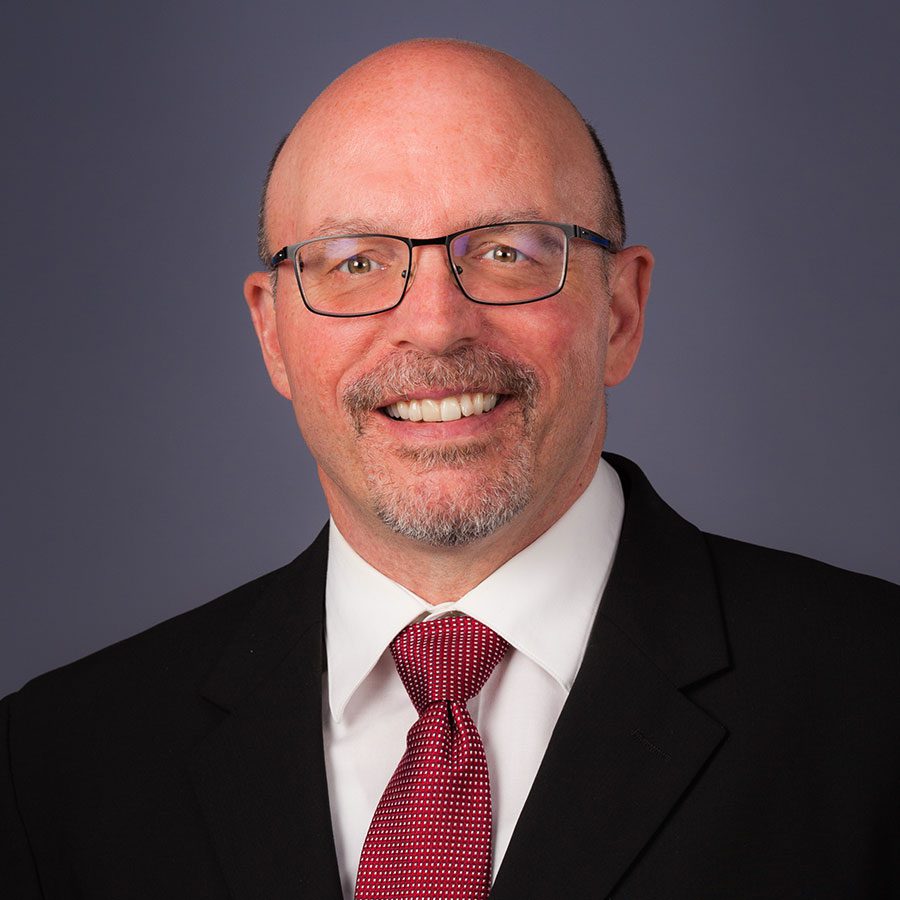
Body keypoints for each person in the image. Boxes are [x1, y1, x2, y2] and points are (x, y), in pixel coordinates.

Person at [2, 38, 898, 900]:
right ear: (272, 333)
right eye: (355, 261)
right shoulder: (56, 762)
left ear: (619, 312)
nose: (435, 325)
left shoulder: (871, 703)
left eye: (507, 252)